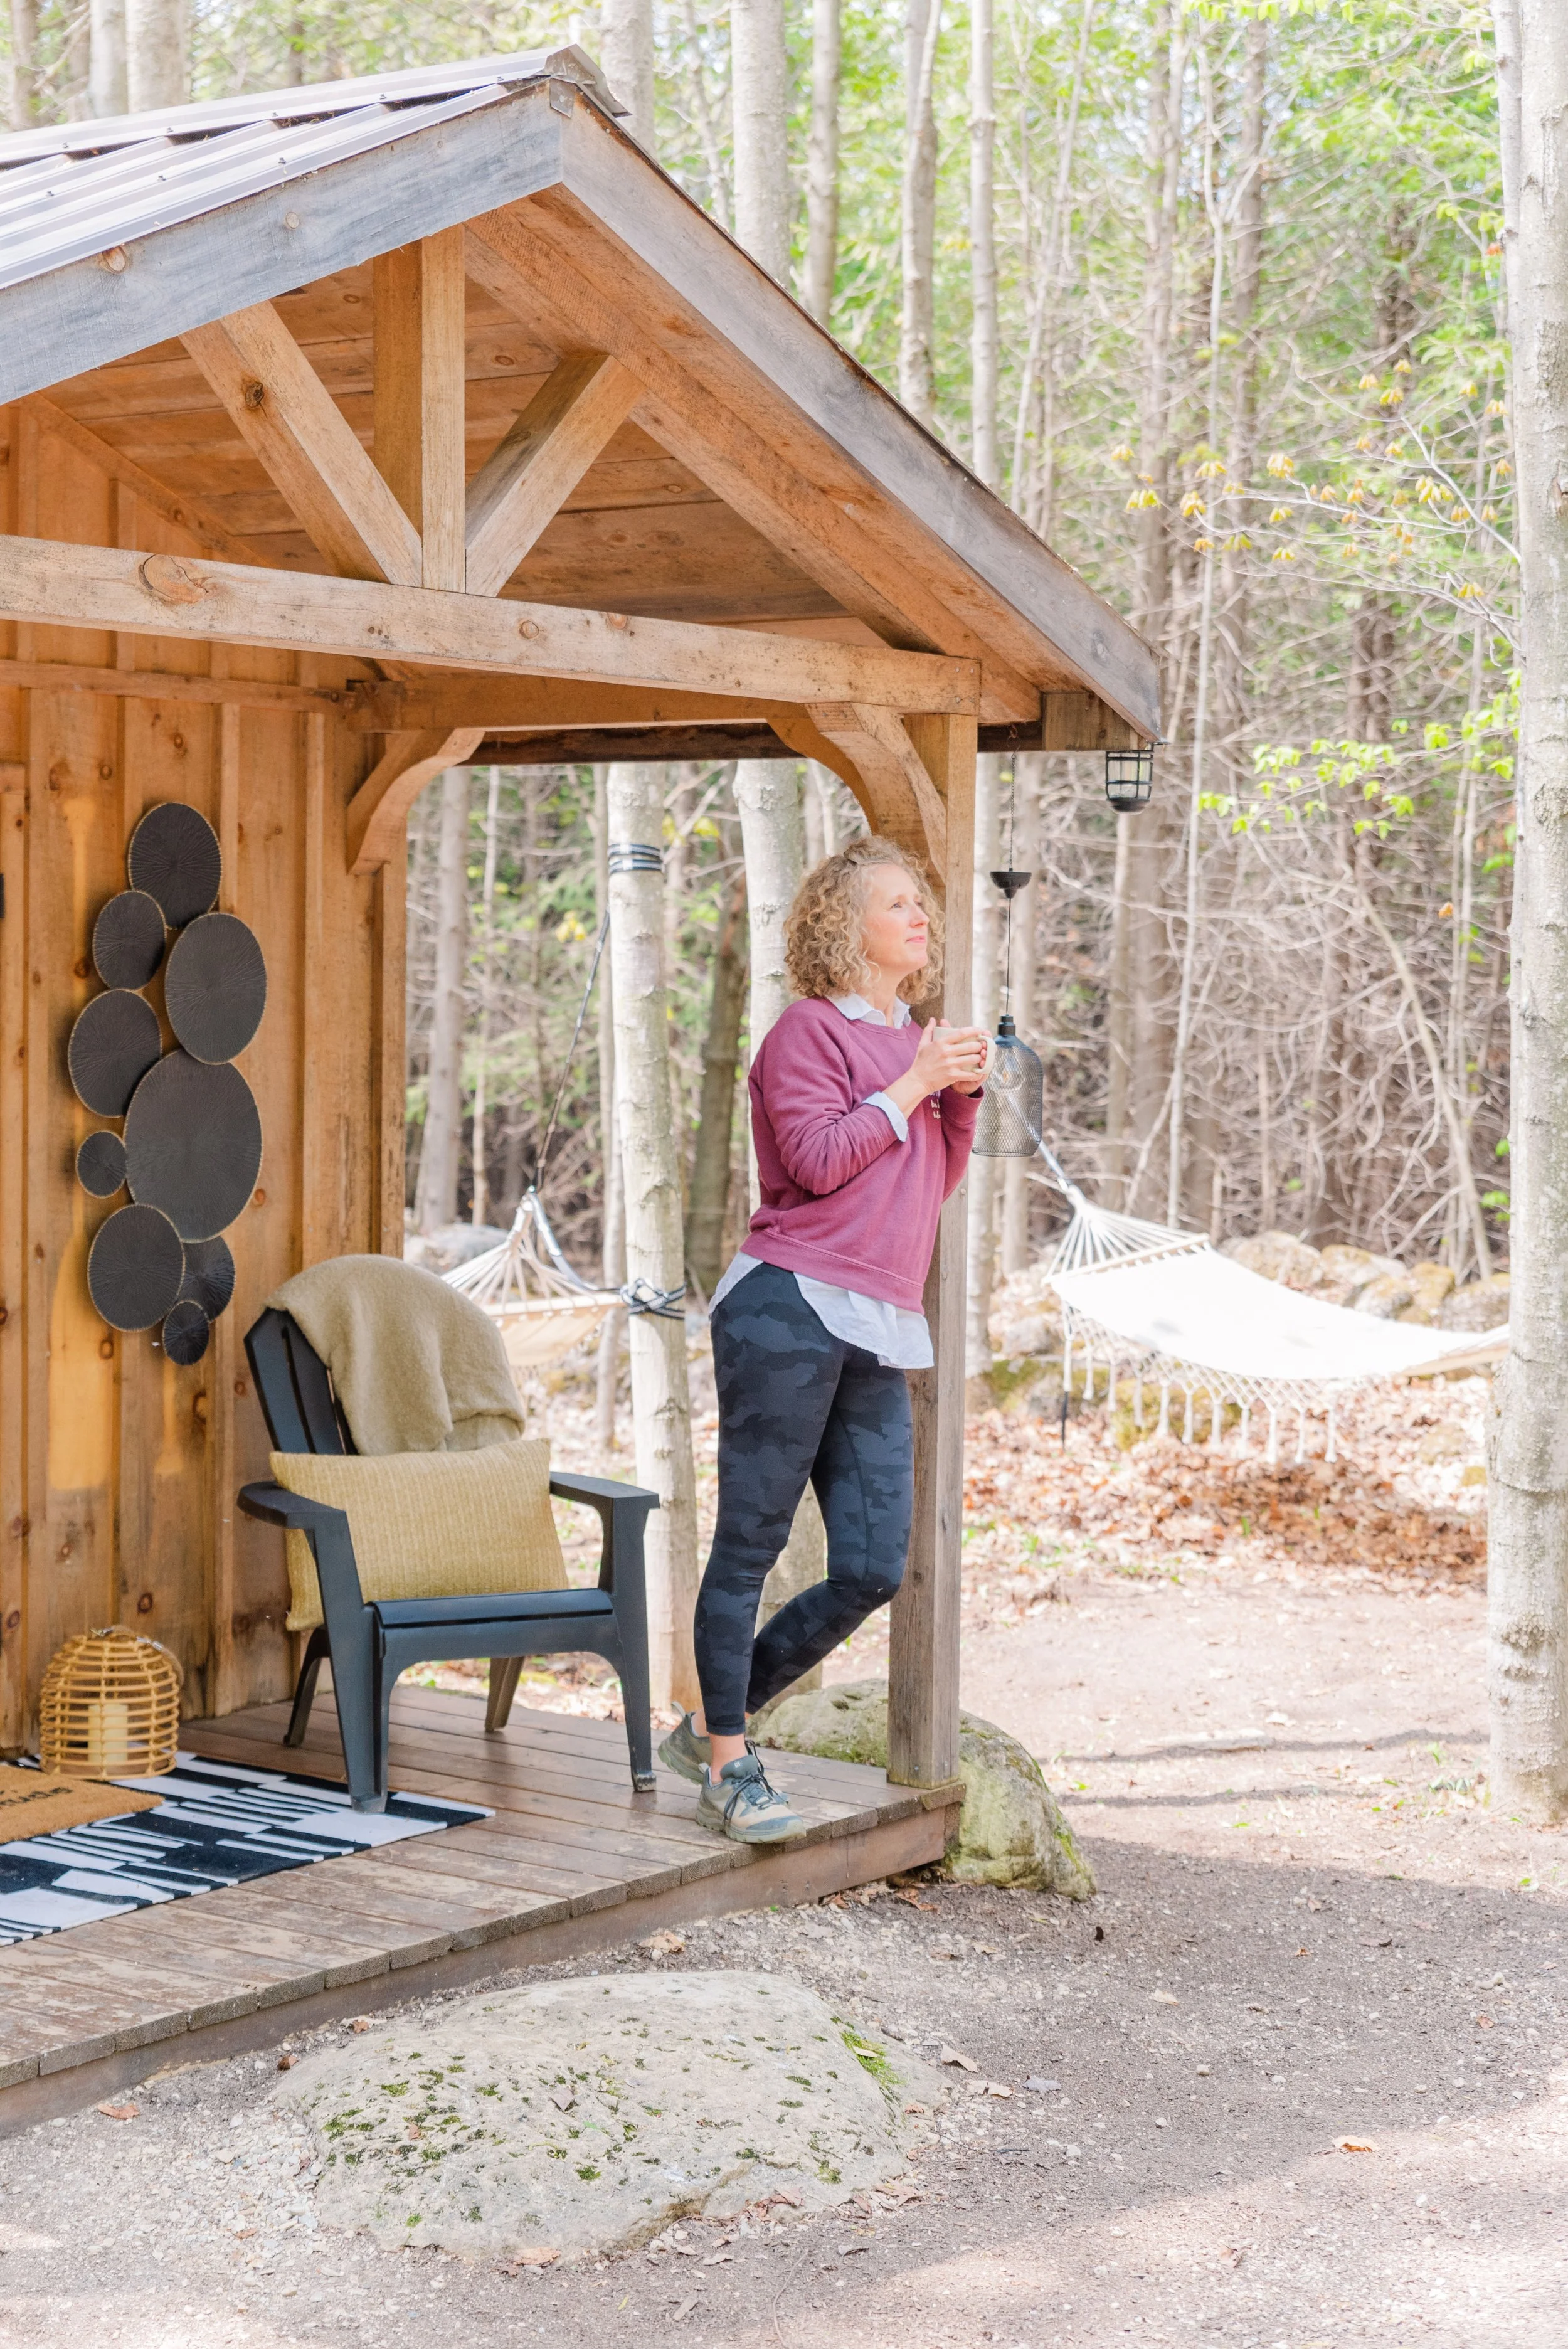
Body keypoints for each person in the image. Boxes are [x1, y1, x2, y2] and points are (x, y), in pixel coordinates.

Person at [659, 834, 988, 1842]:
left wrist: (958, 1098)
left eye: (919, 905)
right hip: (789, 1304)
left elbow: (925, 1188)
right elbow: (815, 1159)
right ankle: (727, 1766)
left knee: (872, 1564)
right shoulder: (809, 1032)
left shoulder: (913, 1042)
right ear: (848, 931)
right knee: (751, 1545)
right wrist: (915, 1083)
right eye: (898, 906)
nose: (919, 919)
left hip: (878, 1319)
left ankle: (717, 1716)